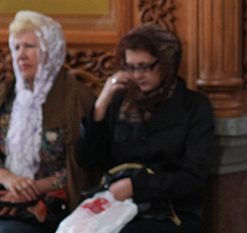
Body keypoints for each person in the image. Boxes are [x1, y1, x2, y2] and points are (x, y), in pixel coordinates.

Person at [74, 24, 215, 233]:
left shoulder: (192, 106)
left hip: (170, 212)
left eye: (145, 66)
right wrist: (102, 102)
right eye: (131, 67)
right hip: (118, 207)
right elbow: (86, 158)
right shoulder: (121, 101)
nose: (137, 75)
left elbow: (193, 177)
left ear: (166, 63)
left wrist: (136, 187)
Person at [0, 11, 96, 232]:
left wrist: (32, 189)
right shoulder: (5, 94)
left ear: (50, 50)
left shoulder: (76, 98)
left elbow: (87, 167)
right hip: (6, 197)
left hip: (54, 206)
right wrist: (7, 178)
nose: (21, 55)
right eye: (16, 47)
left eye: (30, 46)